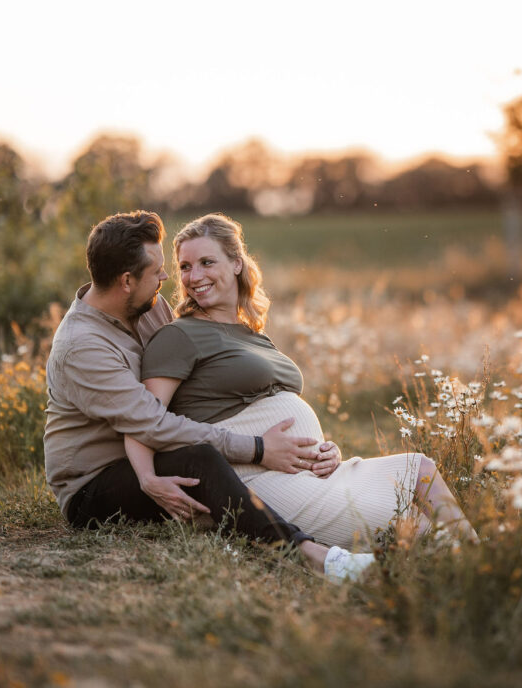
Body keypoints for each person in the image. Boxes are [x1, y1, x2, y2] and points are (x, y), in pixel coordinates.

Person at [43, 210, 375, 581]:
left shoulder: (149, 308)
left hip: (149, 456)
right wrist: (257, 448)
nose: (167, 278)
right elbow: (151, 421)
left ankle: (242, 523)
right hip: (94, 485)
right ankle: (311, 555)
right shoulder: (83, 346)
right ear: (125, 280)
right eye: (156, 271)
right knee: (200, 459)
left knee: (203, 458)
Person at [124, 212, 476, 550]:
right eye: (184, 266)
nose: (193, 275)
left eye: (206, 262)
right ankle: (472, 569)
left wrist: (324, 448)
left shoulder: (252, 333)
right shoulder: (179, 336)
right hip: (253, 476)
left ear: (236, 263)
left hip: (312, 472)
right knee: (415, 528)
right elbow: (144, 419)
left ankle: (479, 560)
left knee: (420, 470)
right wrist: (146, 478)